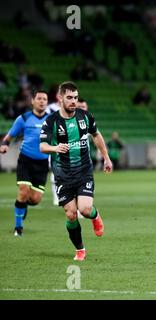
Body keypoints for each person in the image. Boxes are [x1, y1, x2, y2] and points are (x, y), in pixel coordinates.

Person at [40, 81, 113, 261]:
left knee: (85, 209)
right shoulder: (51, 121)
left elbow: (96, 135)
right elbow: (42, 146)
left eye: (75, 97)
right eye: (69, 98)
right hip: (62, 175)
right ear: (60, 99)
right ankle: (80, 249)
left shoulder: (85, 116)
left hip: (83, 171)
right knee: (71, 214)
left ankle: (95, 216)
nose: (74, 101)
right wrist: (56, 148)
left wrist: (106, 157)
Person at [0, 90, 49, 236]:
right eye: (39, 98)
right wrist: (4, 144)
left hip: (42, 163)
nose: (42, 101)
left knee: (34, 199)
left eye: (45, 99)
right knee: (23, 191)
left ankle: (23, 205)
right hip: (26, 160)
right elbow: (9, 136)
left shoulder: (52, 120)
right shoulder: (24, 118)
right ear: (32, 101)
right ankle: (18, 227)